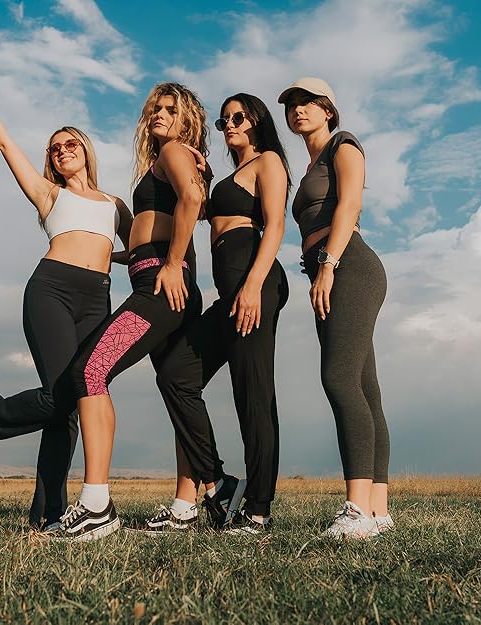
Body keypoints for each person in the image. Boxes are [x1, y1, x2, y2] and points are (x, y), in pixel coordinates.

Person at [40, 82, 233, 541]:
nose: (159, 116)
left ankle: (95, 506)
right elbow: (185, 206)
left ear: (188, 119)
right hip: (162, 279)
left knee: (90, 369)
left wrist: (169, 263)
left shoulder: (174, 152)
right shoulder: (174, 157)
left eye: (171, 109)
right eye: (155, 110)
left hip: (162, 287)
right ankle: (187, 504)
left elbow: (189, 200)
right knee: (175, 390)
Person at [0, 75, 132, 531]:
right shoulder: (47, 192)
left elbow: (140, 249)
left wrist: (107, 255)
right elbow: (4, 145)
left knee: (76, 404)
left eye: (69, 143)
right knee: (61, 399)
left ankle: (49, 516)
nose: (61, 150)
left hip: (97, 298)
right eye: (54, 148)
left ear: (85, 149)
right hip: (51, 290)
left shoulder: (115, 204)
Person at [152, 93, 290, 535]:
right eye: (223, 119)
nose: (229, 124)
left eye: (238, 117)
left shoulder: (268, 161)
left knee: (253, 393)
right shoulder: (229, 175)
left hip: (254, 276)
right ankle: (219, 480)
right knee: (176, 374)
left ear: (256, 122)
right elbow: (197, 210)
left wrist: (252, 286)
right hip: (229, 288)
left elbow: (276, 226)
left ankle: (259, 511)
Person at [279, 77, 391, 538]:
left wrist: (327, 265)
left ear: (328, 109)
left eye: (308, 103)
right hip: (330, 269)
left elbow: (349, 206)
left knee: (339, 379)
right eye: (291, 105)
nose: (298, 110)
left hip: (349, 266)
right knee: (365, 388)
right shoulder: (309, 167)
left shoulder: (344, 146)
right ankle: (379, 511)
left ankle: (357, 509)